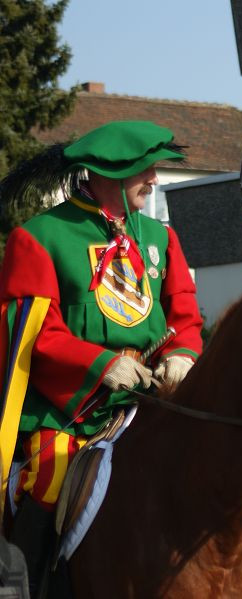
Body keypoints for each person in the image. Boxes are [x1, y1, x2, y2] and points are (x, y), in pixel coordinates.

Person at [0, 120, 203, 594]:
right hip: (73, 408)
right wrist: (101, 365)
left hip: (154, 395)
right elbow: (33, 334)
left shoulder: (160, 238)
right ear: (106, 174)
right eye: (145, 170)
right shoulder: (40, 238)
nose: (154, 179)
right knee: (50, 472)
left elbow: (186, 315)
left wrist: (184, 353)